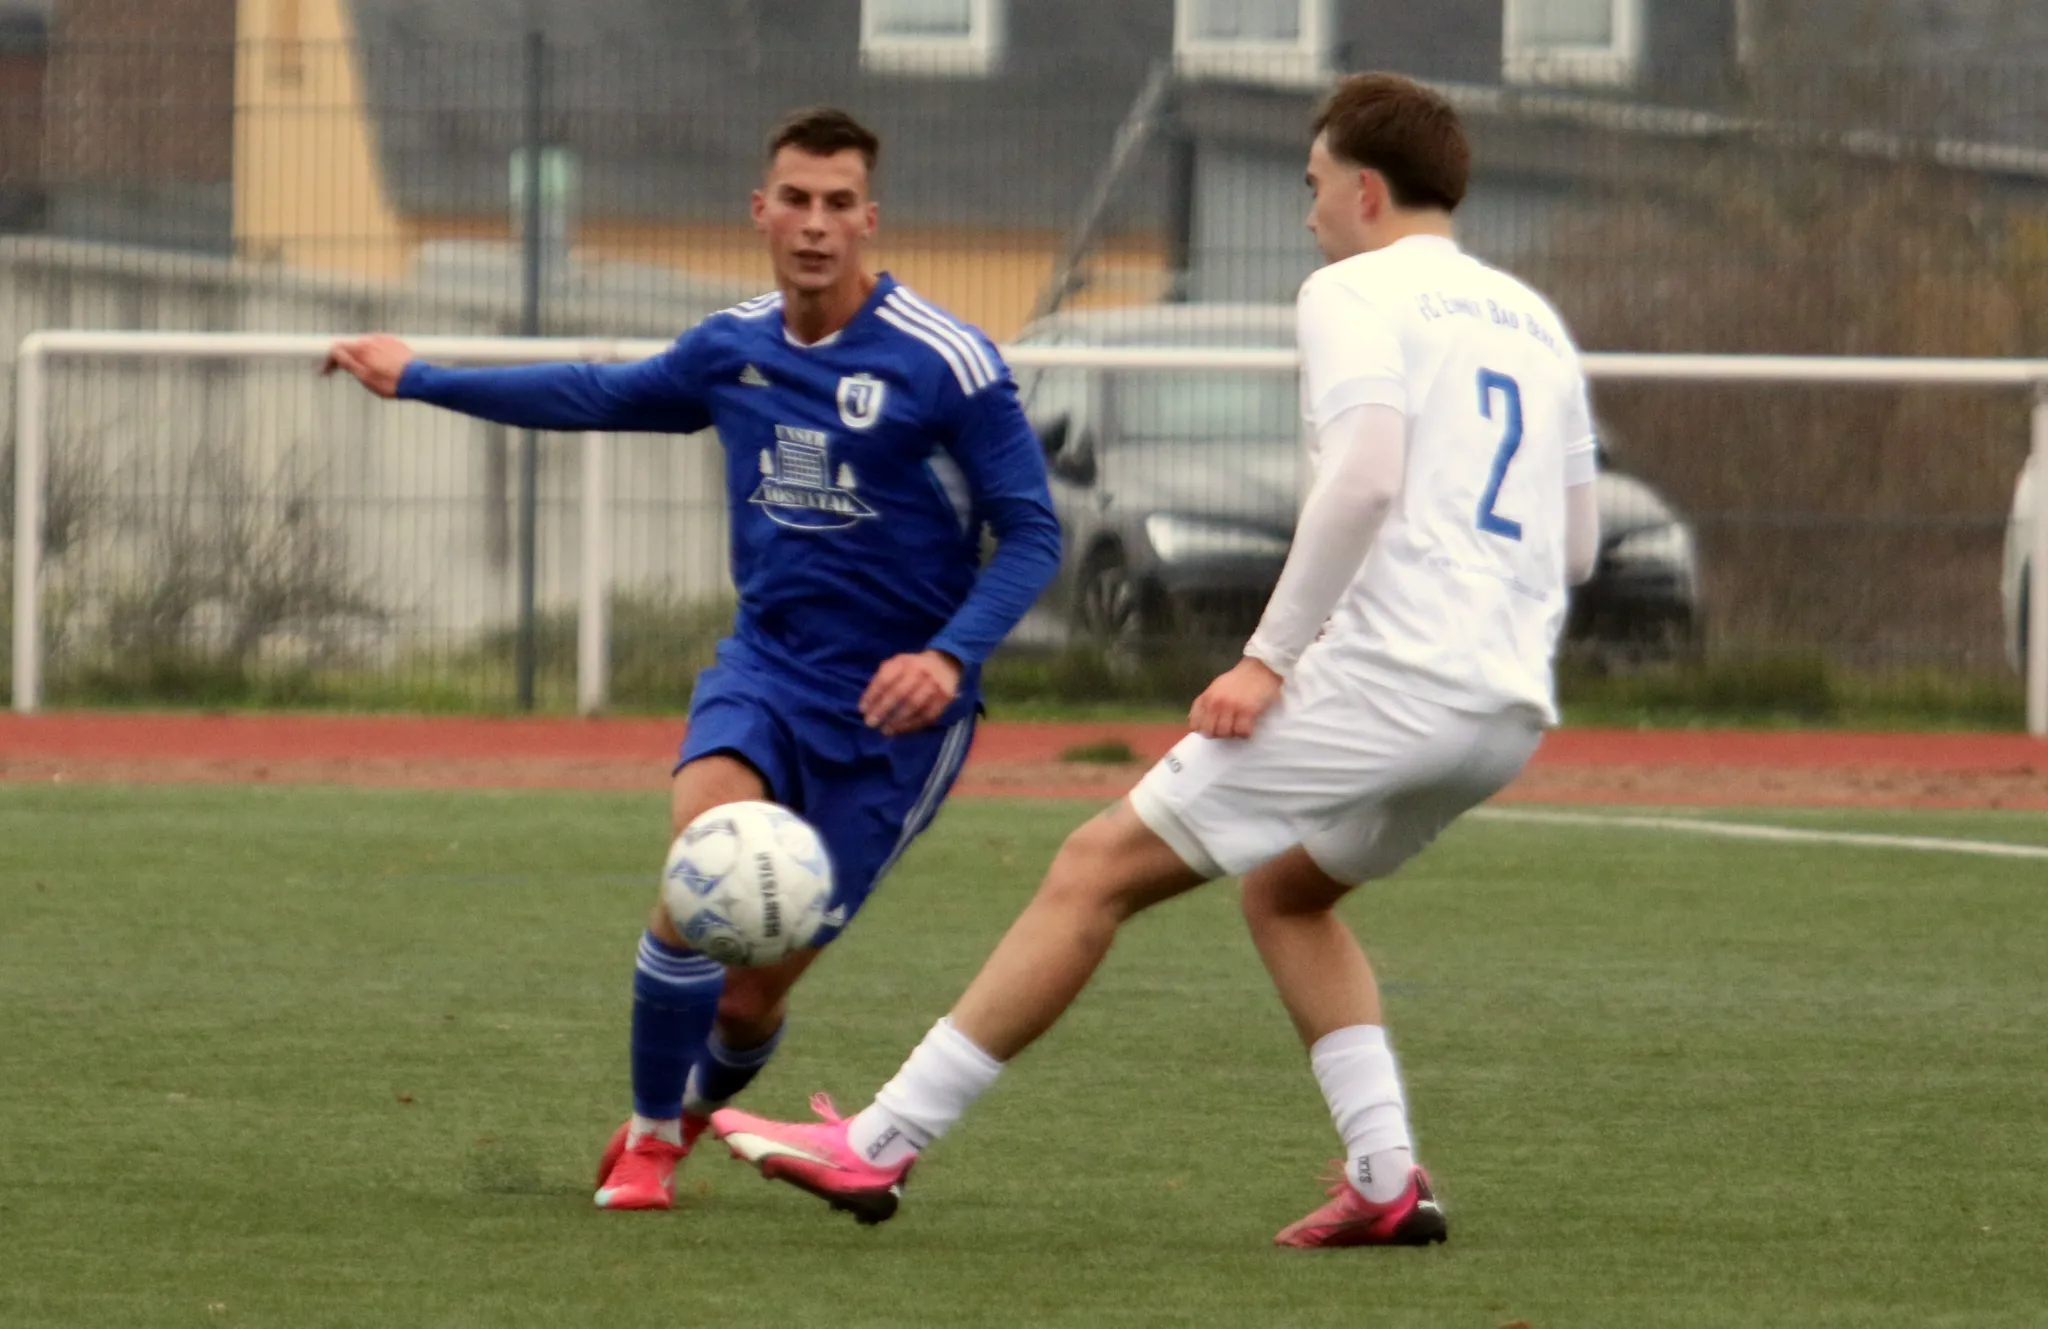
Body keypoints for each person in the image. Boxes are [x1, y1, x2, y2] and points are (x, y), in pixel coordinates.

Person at [708, 72, 1603, 1248]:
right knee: (1288, 895)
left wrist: (1266, 660)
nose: (1306, 214)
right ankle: (1386, 1180)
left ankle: (876, 1144)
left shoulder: (1350, 289)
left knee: (1094, 868)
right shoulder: (1532, 321)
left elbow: (1365, 478)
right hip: (1504, 708)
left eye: (1312, 185)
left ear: (1364, 191)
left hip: (1390, 680)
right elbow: (1575, 545)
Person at [324, 106, 1061, 1212]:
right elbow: (596, 393)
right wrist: (422, 376)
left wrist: (950, 659)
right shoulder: (733, 347)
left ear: (869, 218)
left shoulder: (944, 361)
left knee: (751, 995)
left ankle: (703, 1099)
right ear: (760, 210)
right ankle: (651, 1138)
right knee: (703, 868)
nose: (815, 225)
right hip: (767, 669)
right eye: (795, 200)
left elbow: (1033, 532)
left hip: (896, 719)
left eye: (838, 204)